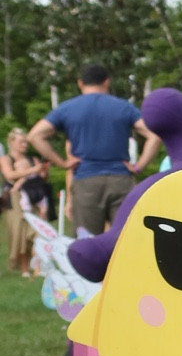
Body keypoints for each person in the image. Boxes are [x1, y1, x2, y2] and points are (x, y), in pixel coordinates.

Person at [28, 63, 159, 235]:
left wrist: (63, 163)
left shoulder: (68, 108)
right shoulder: (123, 107)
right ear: (106, 82)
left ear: (80, 83)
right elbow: (154, 135)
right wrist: (138, 166)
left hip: (86, 181)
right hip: (120, 180)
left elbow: (35, 135)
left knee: (87, 242)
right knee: (125, 239)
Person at [2, 129, 46, 273]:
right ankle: (24, 268)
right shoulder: (5, 159)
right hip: (14, 199)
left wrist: (42, 171)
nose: (24, 145)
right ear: (12, 142)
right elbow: (9, 174)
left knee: (35, 232)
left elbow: (42, 177)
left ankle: (37, 268)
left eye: (25, 141)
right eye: (21, 141)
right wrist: (32, 170)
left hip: (32, 197)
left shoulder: (33, 159)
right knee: (18, 232)